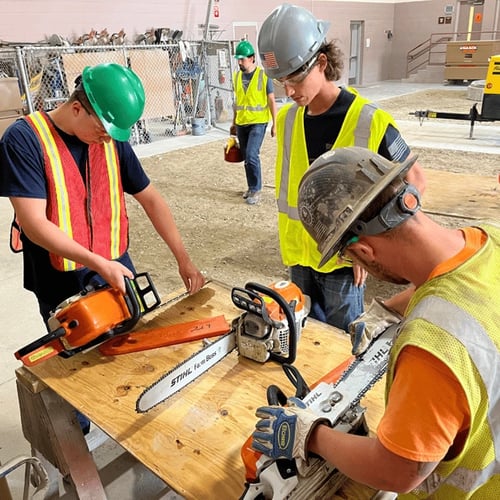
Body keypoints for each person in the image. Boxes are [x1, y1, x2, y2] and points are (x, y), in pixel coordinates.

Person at [251, 146, 500, 498]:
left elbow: (398, 470)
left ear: (363, 252)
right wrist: (389, 308)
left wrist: (311, 435)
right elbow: (466, 287)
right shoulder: (490, 238)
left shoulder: (432, 348)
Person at [257, 3, 426, 331]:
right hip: (299, 258)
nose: (288, 91)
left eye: (295, 79)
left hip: (343, 265)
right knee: (302, 336)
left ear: (321, 62)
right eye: (281, 82)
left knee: (343, 344)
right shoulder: (289, 119)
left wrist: (374, 246)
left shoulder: (369, 120)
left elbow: (415, 181)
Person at [0, 62, 205, 332]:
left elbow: (151, 199)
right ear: (76, 109)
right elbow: (34, 225)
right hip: (60, 279)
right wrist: (98, 263)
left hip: (113, 266)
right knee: (79, 359)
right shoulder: (25, 139)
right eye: (102, 131)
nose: (107, 140)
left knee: (131, 343)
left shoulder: (110, 140)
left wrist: (183, 259)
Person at [230, 40, 277, 205]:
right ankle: (251, 187)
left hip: (258, 123)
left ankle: (256, 190)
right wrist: (234, 122)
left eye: (242, 59)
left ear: (251, 58)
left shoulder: (264, 76)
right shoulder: (236, 77)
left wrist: (275, 124)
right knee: (246, 157)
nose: (239, 62)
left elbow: (271, 100)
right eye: (238, 59)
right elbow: (237, 101)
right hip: (242, 123)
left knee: (251, 155)